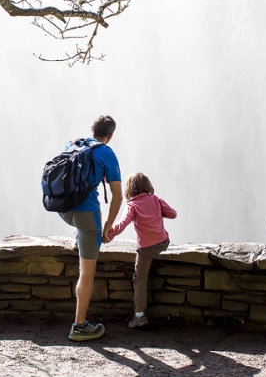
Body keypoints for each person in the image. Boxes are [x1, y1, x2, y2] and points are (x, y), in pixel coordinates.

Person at [58, 115, 122, 341]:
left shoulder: (74, 144)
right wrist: (106, 227)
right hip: (86, 215)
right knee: (87, 272)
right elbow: (117, 197)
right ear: (110, 136)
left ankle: (81, 237)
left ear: (91, 130)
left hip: (64, 209)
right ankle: (80, 325)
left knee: (83, 231)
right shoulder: (106, 153)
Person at [104, 171, 177, 329]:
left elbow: (122, 224)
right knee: (155, 252)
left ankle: (139, 316)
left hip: (146, 248)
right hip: (163, 242)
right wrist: (157, 212)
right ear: (147, 186)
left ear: (129, 189)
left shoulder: (132, 205)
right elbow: (173, 214)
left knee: (139, 279)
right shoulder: (156, 199)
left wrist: (107, 234)